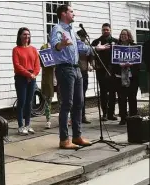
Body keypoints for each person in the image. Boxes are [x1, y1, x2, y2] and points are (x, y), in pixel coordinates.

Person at [50, 5, 110, 149]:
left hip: (77, 69)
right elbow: (55, 46)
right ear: (64, 13)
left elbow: (81, 46)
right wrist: (62, 44)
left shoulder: (72, 30)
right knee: (67, 104)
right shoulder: (57, 29)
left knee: (79, 103)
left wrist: (96, 48)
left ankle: (77, 136)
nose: (74, 14)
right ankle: (64, 139)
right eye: (71, 11)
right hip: (65, 69)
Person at [12, 27, 40, 135]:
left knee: (29, 102)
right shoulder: (16, 49)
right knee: (22, 101)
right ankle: (20, 126)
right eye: (24, 34)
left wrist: (33, 74)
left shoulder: (33, 49)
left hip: (32, 78)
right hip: (21, 78)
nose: (26, 36)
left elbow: (37, 64)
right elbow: (17, 65)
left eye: (28, 34)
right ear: (20, 36)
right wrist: (28, 74)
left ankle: (28, 125)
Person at [112, 29, 140, 125]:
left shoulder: (134, 47)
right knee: (121, 98)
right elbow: (112, 62)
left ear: (129, 36)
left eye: (125, 34)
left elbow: (139, 62)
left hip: (132, 77)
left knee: (132, 98)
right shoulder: (116, 47)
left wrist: (131, 64)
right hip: (120, 77)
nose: (123, 36)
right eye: (121, 34)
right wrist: (119, 65)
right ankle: (123, 118)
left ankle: (133, 117)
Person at [92, 23, 119, 121]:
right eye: (104, 30)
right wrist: (93, 64)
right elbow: (91, 55)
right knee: (103, 93)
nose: (105, 31)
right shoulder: (96, 42)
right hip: (101, 71)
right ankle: (104, 114)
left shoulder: (116, 41)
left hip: (113, 71)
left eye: (107, 29)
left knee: (112, 93)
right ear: (101, 30)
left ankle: (111, 114)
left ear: (110, 30)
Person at [77, 29, 94, 124]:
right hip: (75, 72)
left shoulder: (87, 47)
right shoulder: (74, 46)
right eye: (80, 37)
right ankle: (75, 116)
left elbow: (91, 57)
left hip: (84, 72)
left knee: (82, 95)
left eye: (83, 37)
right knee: (76, 95)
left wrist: (91, 64)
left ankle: (82, 116)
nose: (82, 39)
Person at [40, 36, 55, 129]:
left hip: (59, 75)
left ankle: (64, 119)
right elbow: (41, 62)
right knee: (48, 99)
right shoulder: (44, 47)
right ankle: (48, 120)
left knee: (62, 98)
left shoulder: (61, 47)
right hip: (49, 76)